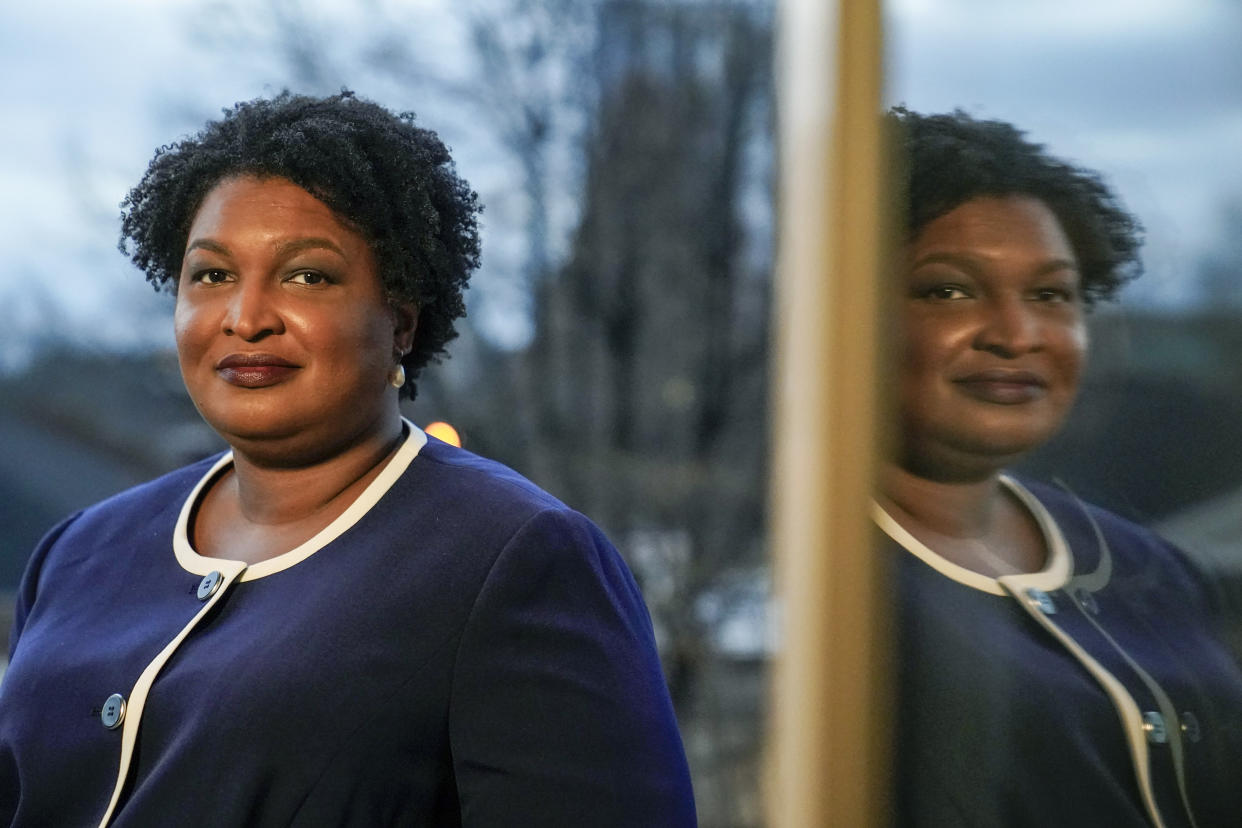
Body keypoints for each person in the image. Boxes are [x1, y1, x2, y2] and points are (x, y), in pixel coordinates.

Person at [0, 91, 696, 827]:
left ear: (399, 319)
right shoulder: (78, 552)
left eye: (308, 276)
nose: (246, 316)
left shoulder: (516, 560)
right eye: (211, 275)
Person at [878, 108, 1242, 827]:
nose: (1017, 335)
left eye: (1050, 294)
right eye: (949, 289)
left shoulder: (1156, 570)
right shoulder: (822, 593)